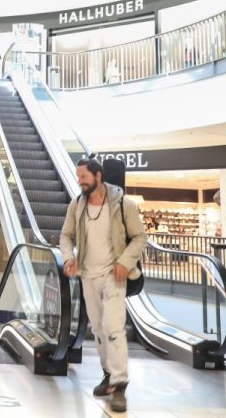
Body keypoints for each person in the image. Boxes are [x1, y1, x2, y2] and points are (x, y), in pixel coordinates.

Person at [60, 158, 147, 413]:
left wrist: (124, 262)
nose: (80, 182)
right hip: (88, 275)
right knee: (98, 329)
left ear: (98, 176)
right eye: (78, 177)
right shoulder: (77, 205)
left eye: (84, 177)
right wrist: (69, 257)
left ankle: (119, 384)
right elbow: (66, 235)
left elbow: (140, 237)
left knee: (113, 326)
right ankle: (108, 375)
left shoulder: (123, 204)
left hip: (114, 274)